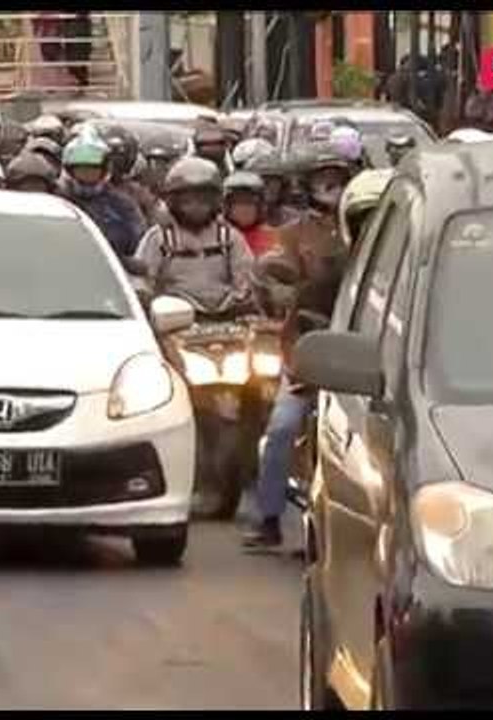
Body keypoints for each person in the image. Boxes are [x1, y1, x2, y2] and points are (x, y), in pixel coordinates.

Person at [242, 146, 353, 549]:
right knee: (282, 428)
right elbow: (271, 271)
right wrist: (280, 288)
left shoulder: (370, 227)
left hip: (362, 349)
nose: (330, 188)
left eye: (337, 179)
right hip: (305, 349)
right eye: (321, 179)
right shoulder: (292, 233)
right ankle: (268, 517)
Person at [133, 156, 254, 313]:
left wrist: (242, 300)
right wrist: (149, 302)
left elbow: (245, 278)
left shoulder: (227, 236)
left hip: (226, 314)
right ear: (173, 202)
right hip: (175, 317)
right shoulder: (161, 237)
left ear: (215, 202)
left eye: (203, 201)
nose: (196, 208)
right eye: (187, 202)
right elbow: (142, 281)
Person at [57, 135, 146, 259]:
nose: (87, 174)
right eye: (82, 169)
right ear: (69, 170)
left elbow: (138, 244)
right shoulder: (56, 202)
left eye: (93, 169)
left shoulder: (122, 205)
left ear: (104, 170)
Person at [97, 124, 161, 226]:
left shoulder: (138, 193)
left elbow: (154, 225)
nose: (114, 163)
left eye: (118, 158)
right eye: (110, 158)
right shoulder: (80, 190)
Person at [222, 171, 276, 257]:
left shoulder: (273, 237)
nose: (244, 209)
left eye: (250, 202)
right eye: (238, 202)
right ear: (228, 207)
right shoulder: (219, 237)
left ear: (260, 207)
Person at [244, 151, 301, 229]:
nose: (266, 185)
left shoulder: (293, 218)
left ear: (282, 184)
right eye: (262, 179)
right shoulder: (238, 220)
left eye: (273, 179)